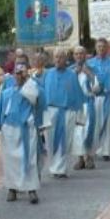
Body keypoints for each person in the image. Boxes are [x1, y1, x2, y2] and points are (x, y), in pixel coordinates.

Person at [0, 63, 45, 204]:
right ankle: (12, 189)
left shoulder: (32, 88)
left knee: (29, 159)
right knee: (10, 162)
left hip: (27, 130)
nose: (19, 76)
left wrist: (28, 81)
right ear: (13, 75)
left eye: (22, 73)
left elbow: (38, 99)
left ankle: (31, 190)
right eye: (17, 73)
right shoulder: (6, 93)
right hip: (9, 131)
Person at [43, 48, 85, 178]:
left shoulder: (71, 75)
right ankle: (53, 166)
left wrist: (79, 115)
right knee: (50, 141)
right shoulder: (48, 74)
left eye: (60, 57)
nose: (58, 60)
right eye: (56, 57)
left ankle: (60, 168)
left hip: (67, 112)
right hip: (51, 111)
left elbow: (77, 94)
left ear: (66, 59)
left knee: (65, 140)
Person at [71, 46, 100, 171]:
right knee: (77, 133)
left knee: (89, 130)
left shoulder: (92, 69)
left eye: (81, 54)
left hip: (88, 103)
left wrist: (89, 74)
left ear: (85, 55)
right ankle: (80, 158)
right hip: (75, 105)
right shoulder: (70, 71)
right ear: (73, 56)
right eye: (76, 54)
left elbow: (98, 88)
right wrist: (74, 74)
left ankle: (89, 157)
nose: (79, 56)